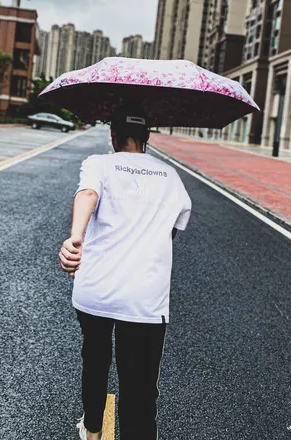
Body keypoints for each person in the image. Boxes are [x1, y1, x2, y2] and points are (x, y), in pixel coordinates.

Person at [59, 104, 192, 440]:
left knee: (95, 361)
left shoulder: (99, 164)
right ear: (146, 137)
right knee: (140, 387)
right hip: (145, 300)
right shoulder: (171, 176)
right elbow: (171, 231)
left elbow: (87, 193)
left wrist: (76, 239)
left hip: (96, 291)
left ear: (113, 135)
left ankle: (92, 432)